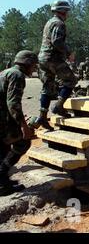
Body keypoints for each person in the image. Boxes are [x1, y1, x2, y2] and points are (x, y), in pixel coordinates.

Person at [0, 51, 38, 196]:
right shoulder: (17, 75)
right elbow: (13, 103)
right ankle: (1, 176)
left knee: (3, 148)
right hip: (3, 119)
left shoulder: (5, 72)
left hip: (3, 116)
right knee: (23, 142)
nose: (34, 69)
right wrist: (24, 126)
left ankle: (3, 182)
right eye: (33, 66)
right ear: (27, 64)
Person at [36, 0, 77, 129]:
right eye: (67, 12)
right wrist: (69, 53)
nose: (68, 14)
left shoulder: (49, 22)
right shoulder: (59, 23)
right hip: (53, 58)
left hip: (42, 58)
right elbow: (57, 41)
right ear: (63, 11)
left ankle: (42, 117)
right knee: (71, 80)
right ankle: (59, 106)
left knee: (47, 86)